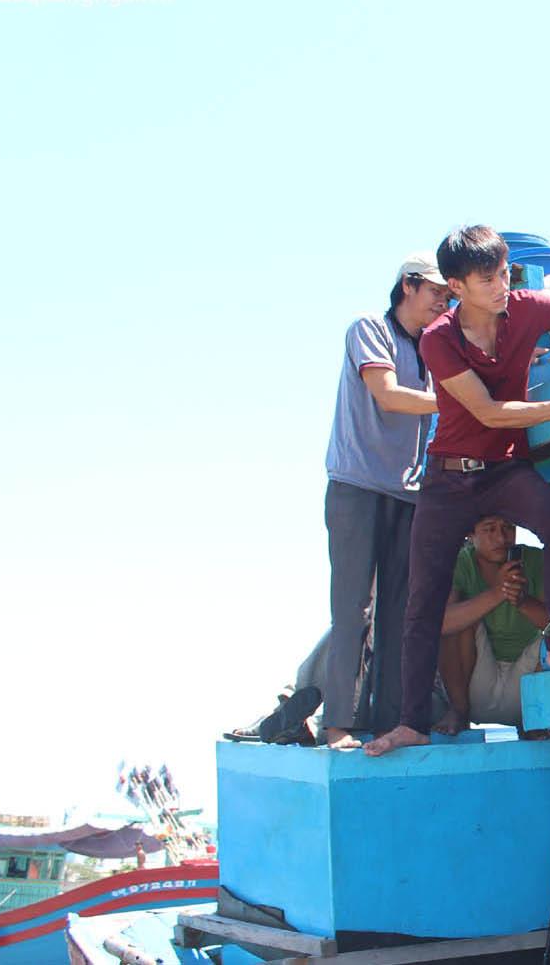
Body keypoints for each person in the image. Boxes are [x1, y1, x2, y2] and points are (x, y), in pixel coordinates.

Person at [366, 226, 550, 757]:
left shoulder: (528, 308)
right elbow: (488, 411)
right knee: (423, 596)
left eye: (504, 273)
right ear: (456, 285)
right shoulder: (437, 339)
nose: (500, 286)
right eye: (486, 278)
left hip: (506, 467)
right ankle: (410, 722)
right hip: (449, 478)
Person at [229, 253, 446, 749]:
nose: (442, 300)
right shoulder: (368, 329)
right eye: (435, 290)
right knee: (354, 611)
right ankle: (338, 724)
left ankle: (389, 721)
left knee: (400, 614)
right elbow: (388, 394)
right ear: (407, 286)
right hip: (357, 488)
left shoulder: (433, 349)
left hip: (408, 493)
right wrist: (463, 398)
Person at [434, 515, 550, 733]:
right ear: (470, 534)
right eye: (489, 529)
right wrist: (498, 593)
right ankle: (458, 710)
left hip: (526, 683)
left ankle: (535, 723)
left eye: (508, 528)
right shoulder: (460, 563)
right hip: (473, 683)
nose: (501, 537)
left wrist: (522, 602)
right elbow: (441, 624)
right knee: (458, 623)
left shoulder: (534, 559)